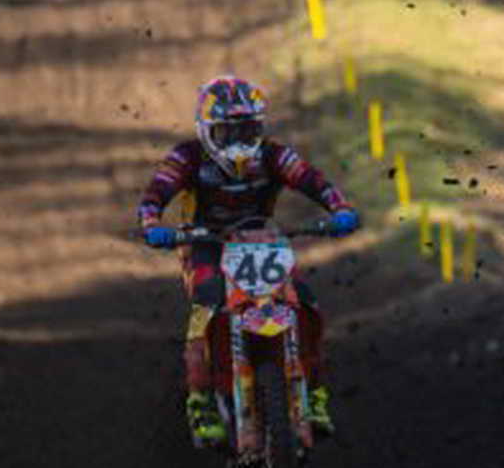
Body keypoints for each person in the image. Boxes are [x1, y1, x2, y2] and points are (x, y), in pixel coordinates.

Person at [135, 76, 360, 444]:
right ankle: (201, 400)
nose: (238, 142)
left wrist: (341, 209)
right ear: (207, 130)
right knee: (207, 301)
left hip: (262, 239)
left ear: (259, 127)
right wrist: (151, 224)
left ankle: (315, 393)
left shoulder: (273, 155)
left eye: (247, 130)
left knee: (304, 301)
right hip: (204, 242)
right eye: (227, 133)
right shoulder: (188, 157)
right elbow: (156, 193)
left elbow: (313, 180)